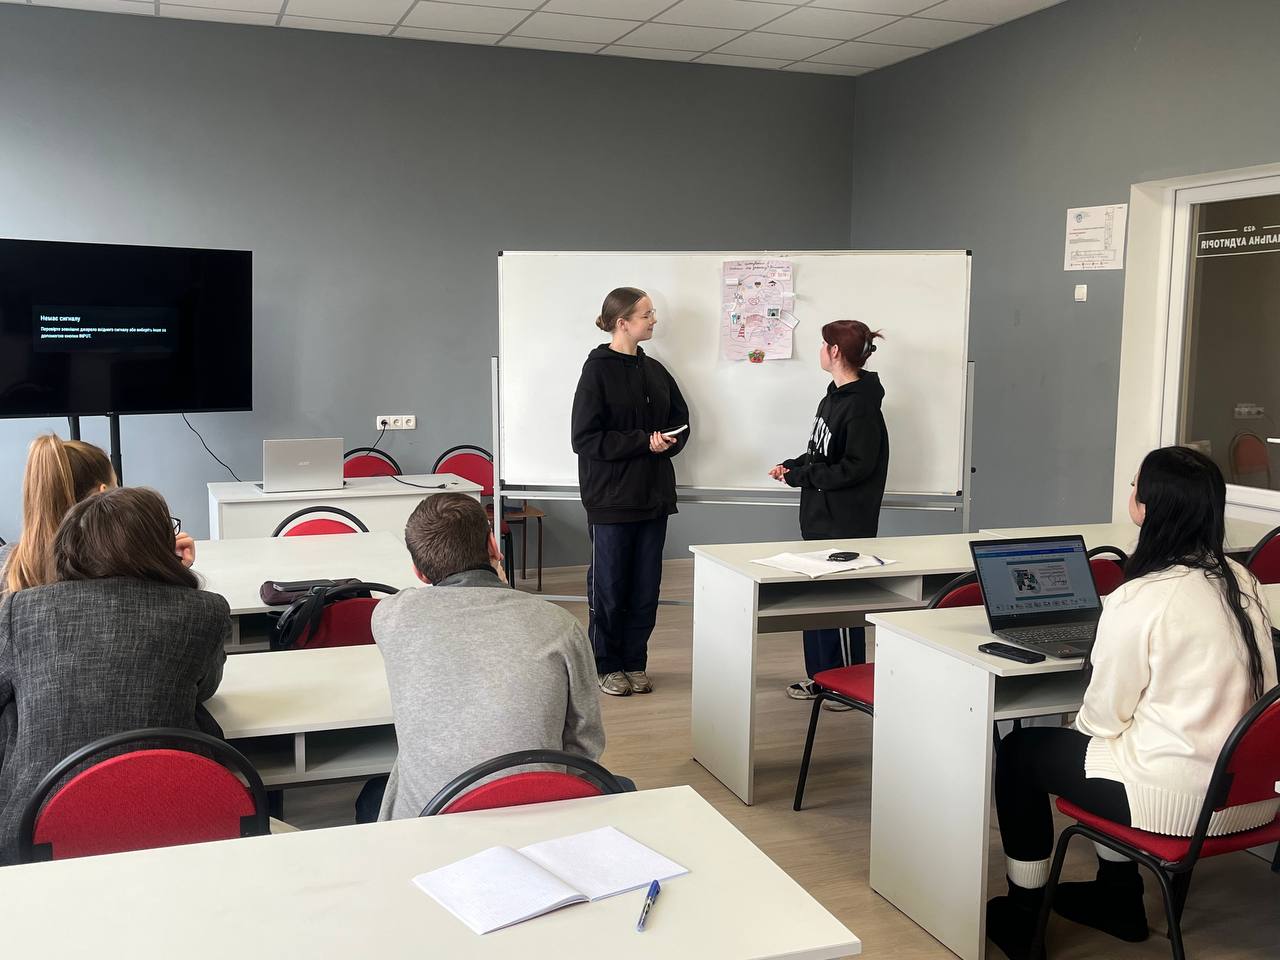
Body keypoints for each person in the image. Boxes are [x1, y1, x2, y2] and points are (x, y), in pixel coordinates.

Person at [985, 446, 1278, 960]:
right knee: (1107, 749)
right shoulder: (1243, 581)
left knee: (1020, 753)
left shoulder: (1141, 597)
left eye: (1134, 486)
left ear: (1146, 508)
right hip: (1253, 799)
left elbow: (1102, 719)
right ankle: (1117, 897)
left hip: (1181, 806)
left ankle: (1025, 915)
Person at [0, 486, 230, 865]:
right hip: (177, 815)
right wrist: (179, 579)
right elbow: (205, 686)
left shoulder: (22, 608)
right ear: (158, 544)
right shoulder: (205, 610)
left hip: (37, 828)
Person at [370, 493, 605, 820]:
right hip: (539, 815)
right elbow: (585, 744)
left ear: (419, 573)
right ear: (494, 545)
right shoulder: (561, 625)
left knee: (372, 794)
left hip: (427, 822)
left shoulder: (390, 615)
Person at [571, 287, 690, 697]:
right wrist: (643, 442)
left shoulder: (655, 370)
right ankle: (606, 665)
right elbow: (585, 438)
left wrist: (668, 441)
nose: (654, 320)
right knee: (609, 587)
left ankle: (635, 661)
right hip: (611, 500)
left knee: (645, 588)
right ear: (622, 322)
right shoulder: (596, 371)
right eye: (646, 314)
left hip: (653, 497)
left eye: (653, 313)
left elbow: (680, 421)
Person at [770, 320, 888, 702]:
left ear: (835, 351)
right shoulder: (832, 398)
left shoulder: (861, 407)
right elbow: (821, 453)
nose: (821, 350)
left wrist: (805, 475)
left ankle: (845, 686)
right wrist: (794, 466)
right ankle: (821, 679)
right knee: (817, 607)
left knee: (838, 610)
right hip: (819, 520)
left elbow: (856, 467)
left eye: (824, 344)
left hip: (844, 525)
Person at [1, 433, 195, 594]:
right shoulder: (117, 569)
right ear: (103, 495)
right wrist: (169, 569)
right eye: (117, 486)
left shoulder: (7, 564)